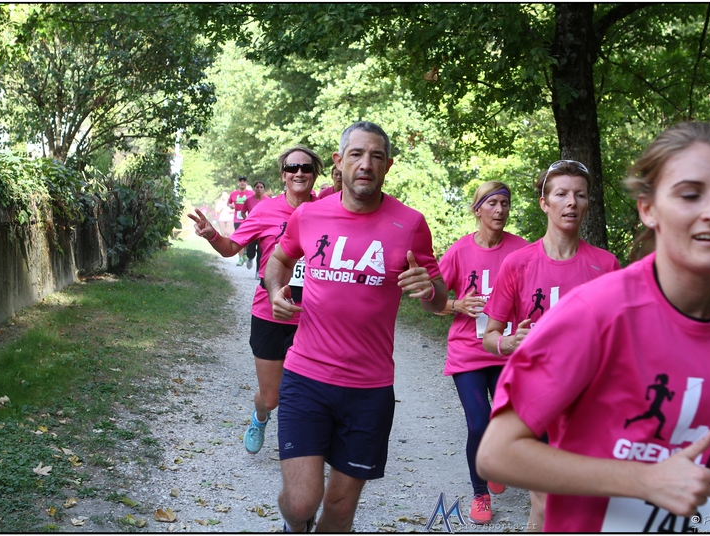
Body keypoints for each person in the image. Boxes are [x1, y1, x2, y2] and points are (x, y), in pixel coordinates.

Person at [476, 121, 710, 532]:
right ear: (648, 209)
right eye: (690, 194)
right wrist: (646, 481)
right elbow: (497, 454)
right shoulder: (594, 312)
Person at [265, 121, 447, 532]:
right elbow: (279, 260)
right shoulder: (309, 215)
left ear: (388, 166)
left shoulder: (410, 223)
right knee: (300, 502)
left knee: (340, 507)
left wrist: (428, 289)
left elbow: (437, 299)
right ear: (339, 161)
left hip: (369, 389)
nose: (366, 164)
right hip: (306, 377)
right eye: (357, 154)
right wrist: (276, 290)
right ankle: (295, 524)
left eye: (376, 156)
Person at [481, 159, 621, 530]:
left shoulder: (607, 266)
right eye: (561, 194)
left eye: (580, 195)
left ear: (588, 203)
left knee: (587, 503)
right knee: (544, 502)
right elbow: (489, 337)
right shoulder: (517, 263)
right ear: (544, 203)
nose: (571, 202)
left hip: (588, 402)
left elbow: (622, 343)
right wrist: (510, 342)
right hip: (536, 396)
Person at [188, 145, 323, 457]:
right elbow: (230, 248)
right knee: (271, 397)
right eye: (292, 168)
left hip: (315, 316)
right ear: (283, 175)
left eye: (306, 167)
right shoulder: (265, 210)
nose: (299, 172)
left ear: (315, 174)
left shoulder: (328, 210)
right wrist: (211, 234)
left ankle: (302, 447)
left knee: (309, 391)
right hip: (270, 314)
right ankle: (260, 417)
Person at [436, 181, 529, 524]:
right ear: (477, 210)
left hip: (507, 351)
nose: (500, 210)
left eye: (505, 203)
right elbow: (433, 300)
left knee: (507, 420)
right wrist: (457, 305)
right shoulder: (459, 252)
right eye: (492, 203)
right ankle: (480, 494)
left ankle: (496, 460)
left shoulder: (522, 250)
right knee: (478, 422)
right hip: (468, 352)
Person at [243, 180, 271, 273]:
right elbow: (243, 212)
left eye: (261, 187)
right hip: (252, 228)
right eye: (257, 187)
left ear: (264, 189)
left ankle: (258, 271)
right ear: (254, 189)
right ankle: (250, 257)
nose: (259, 189)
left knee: (261, 250)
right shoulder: (248, 200)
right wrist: (247, 220)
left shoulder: (268, 200)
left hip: (264, 229)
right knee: (251, 248)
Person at [228, 176, 255, 266]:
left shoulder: (251, 193)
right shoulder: (233, 193)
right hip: (237, 218)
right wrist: (230, 205)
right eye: (241, 181)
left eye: (244, 181)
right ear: (238, 183)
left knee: (247, 238)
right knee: (239, 238)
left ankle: (245, 253)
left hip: (248, 218)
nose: (242, 183)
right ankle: (240, 258)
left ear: (246, 183)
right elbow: (228, 202)